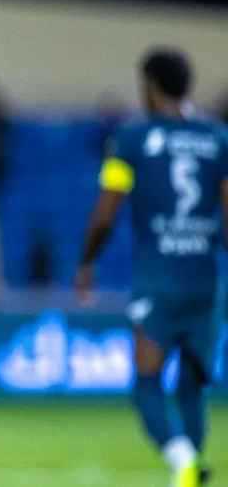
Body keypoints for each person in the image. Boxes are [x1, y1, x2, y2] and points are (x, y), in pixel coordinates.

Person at [76, 48, 228, 487]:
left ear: (149, 85)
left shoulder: (130, 140)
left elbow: (105, 214)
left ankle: (182, 460)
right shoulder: (218, 139)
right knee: (192, 384)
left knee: (146, 384)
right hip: (205, 278)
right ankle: (191, 467)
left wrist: (87, 262)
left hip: (157, 277)